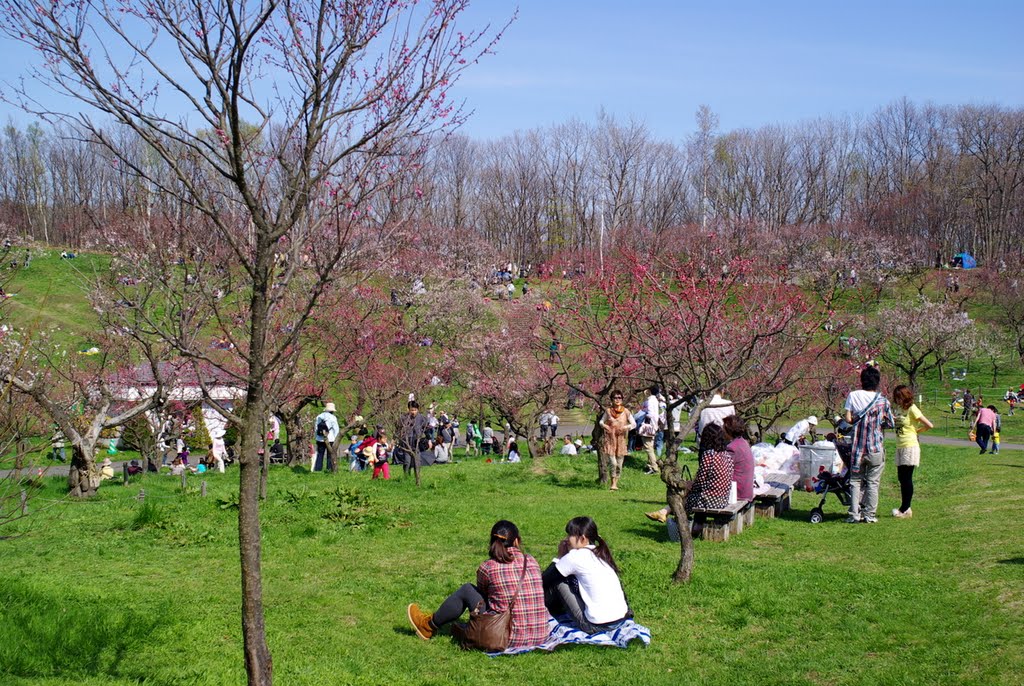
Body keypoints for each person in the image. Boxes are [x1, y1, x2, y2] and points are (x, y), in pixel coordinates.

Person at [407, 520, 551, 649]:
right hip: (539, 635)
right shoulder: (531, 561)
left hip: (505, 637)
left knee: (467, 590)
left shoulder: (488, 567)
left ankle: (428, 625)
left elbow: (484, 596)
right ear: (517, 541)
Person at [541, 517, 630, 634]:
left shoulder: (574, 557)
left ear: (582, 538)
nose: (566, 539)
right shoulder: (601, 554)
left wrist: (559, 556)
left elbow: (544, 580)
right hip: (621, 619)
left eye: (570, 536)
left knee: (559, 582)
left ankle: (542, 614)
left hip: (595, 626)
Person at [646, 424, 734, 524]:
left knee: (680, 498)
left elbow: (700, 480)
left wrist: (689, 486)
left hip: (710, 500)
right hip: (723, 499)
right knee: (687, 495)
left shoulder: (709, 455)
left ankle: (675, 521)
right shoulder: (727, 455)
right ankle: (664, 513)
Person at [844, 366, 895, 524]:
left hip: (858, 449)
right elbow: (891, 423)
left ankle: (854, 515)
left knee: (855, 481)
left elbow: (848, 419)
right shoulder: (883, 401)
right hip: (875, 448)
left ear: (862, 380)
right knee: (873, 482)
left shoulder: (853, 395)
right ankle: (869, 515)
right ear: (877, 382)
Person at [891, 384, 933, 519]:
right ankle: (905, 508)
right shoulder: (899, 409)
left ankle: (905, 508)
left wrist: (917, 432)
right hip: (900, 446)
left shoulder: (912, 409)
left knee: (907, 478)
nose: (897, 400)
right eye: (896, 398)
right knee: (901, 478)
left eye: (899, 397)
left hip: (910, 445)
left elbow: (929, 425)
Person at [598, 390, 635, 492]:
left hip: (621, 440)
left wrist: (625, 427)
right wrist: (605, 425)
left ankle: (615, 484)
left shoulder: (626, 411)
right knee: (613, 463)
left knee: (619, 464)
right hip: (610, 440)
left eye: (619, 397)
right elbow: (601, 421)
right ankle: (612, 482)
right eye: (615, 398)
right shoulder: (608, 411)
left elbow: (634, 424)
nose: (617, 400)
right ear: (612, 399)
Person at [722, 415, 754, 502]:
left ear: (728, 429)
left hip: (737, 493)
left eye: (723, 427)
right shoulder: (743, 442)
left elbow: (723, 472)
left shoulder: (732, 448)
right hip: (746, 490)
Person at [397, 400, 429, 474]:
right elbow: (398, 429)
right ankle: (406, 476)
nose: (413, 412)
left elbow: (426, 428)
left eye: (415, 410)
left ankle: (417, 477)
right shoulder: (404, 418)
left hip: (416, 442)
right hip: (407, 443)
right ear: (408, 409)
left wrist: (429, 439)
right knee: (407, 462)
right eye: (412, 410)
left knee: (417, 463)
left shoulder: (421, 418)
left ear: (418, 410)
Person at [313, 402, 341, 472]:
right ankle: (329, 468)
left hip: (320, 438)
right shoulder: (333, 417)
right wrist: (336, 438)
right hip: (330, 438)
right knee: (330, 455)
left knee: (320, 454)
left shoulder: (319, 416)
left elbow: (316, 428)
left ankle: (318, 469)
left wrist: (317, 435)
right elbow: (336, 429)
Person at [640, 385, 661, 475]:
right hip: (654, 425)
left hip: (648, 426)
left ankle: (654, 467)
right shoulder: (655, 400)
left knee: (648, 447)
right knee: (650, 446)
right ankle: (650, 466)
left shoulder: (649, 400)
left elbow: (649, 413)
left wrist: (644, 418)